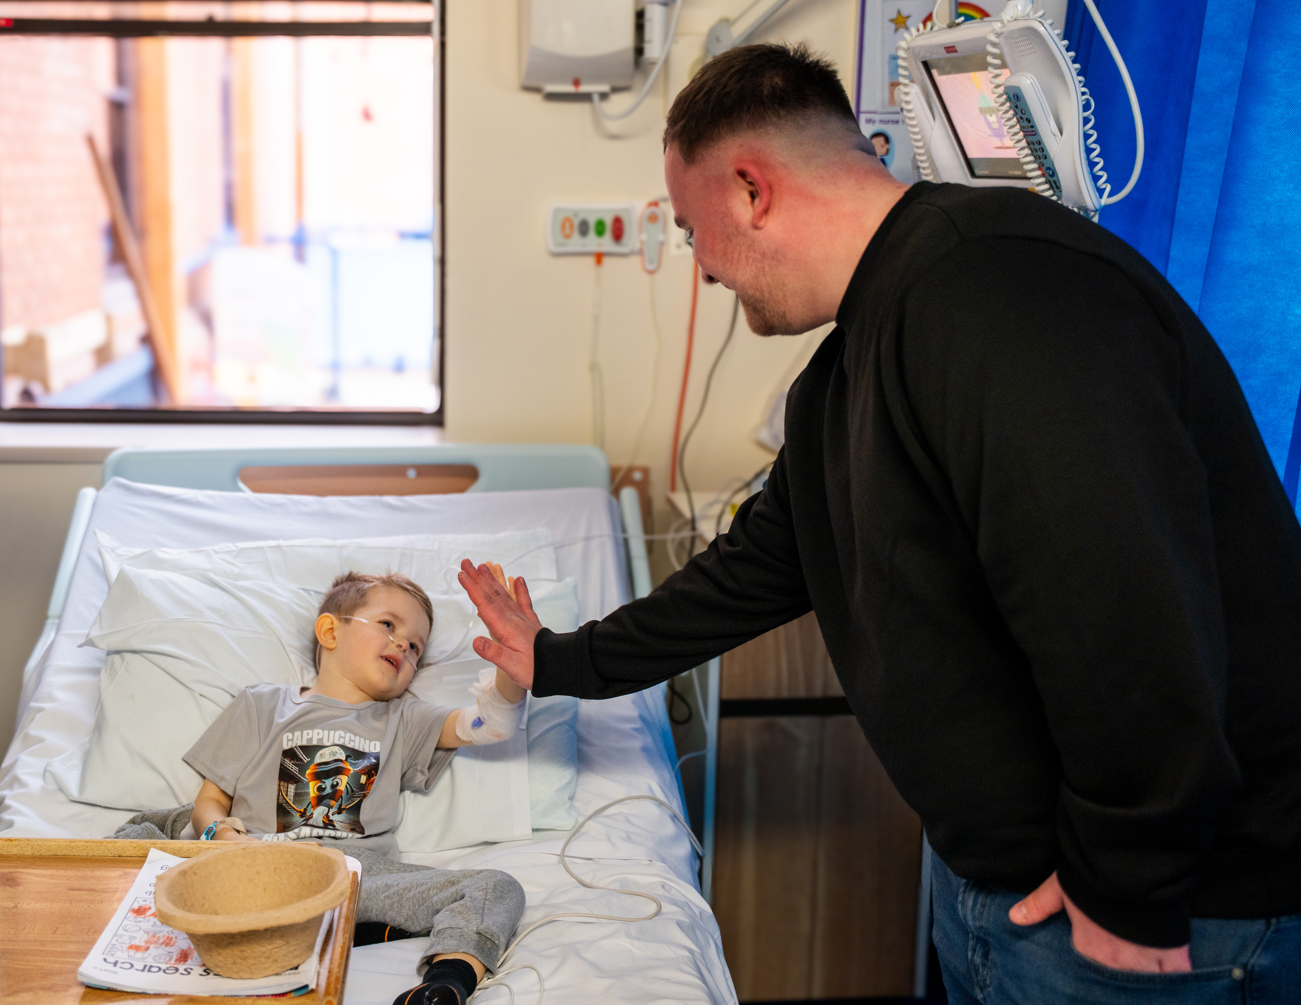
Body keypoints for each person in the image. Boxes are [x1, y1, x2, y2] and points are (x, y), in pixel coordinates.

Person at [457, 42, 1301, 1004]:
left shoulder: (999, 289)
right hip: (1011, 885)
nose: (703, 272)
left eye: (692, 232)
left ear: (749, 188)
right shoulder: (850, 364)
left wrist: (1130, 877)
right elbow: (758, 566)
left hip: (1145, 913)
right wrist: (563, 660)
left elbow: (1123, 596)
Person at [186, 570, 527, 1005]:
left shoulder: (404, 719)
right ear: (330, 631)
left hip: (358, 876)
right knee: (142, 836)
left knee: (496, 888)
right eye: (388, 625)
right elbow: (209, 803)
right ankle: (358, 933)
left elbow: (491, 723)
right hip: (263, 863)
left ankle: (446, 984)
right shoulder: (263, 704)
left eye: (417, 648)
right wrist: (225, 838)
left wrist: (512, 656)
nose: (404, 645)